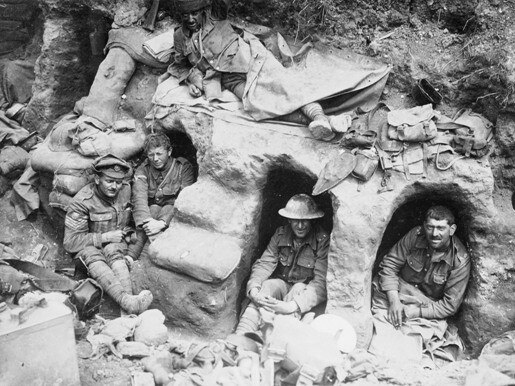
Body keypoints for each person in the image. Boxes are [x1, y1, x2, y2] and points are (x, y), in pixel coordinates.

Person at [160, 0, 337, 141]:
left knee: (283, 86)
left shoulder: (217, 15)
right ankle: (320, 122)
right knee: (256, 104)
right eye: (185, 15)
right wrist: (191, 80)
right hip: (228, 78)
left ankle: (319, 116)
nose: (190, 19)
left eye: (195, 13)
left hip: (250, 58)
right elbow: (180, 65)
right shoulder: (179, 36)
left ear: (204, 10)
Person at [370, 205, 471, 362]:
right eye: (430, 227)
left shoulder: (459, 259)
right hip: (397, 291)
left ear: (451, 229)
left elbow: (449, 306)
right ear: (424, 226)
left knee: (414, 340)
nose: (434, 233)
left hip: (426, 307)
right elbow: (390, 265)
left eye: (440, 228)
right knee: (381, 324)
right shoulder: (415, 236)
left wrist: (414, 312)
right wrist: (394, 300)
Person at [63, 154, 153, 315]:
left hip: (116, 246)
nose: (114, 186)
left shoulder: (126, 190)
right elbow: (70, 242)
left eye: (118, 182)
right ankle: (127, 302)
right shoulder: (82, 201)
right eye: (109, 181)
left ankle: (129, 307)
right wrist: (104, 237)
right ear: (97, 179)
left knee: (112, 249)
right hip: (89, 252)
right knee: (92, 253)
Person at [235, 194, 329, 334]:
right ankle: (241, 337)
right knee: (269, 285)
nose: (300, 226)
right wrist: (254, 289)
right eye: (296, 220)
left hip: (302, 294)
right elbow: (265, 263)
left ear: (312, 220)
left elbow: (320, 282)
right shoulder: (281, 234)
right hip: (282, 286)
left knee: (298, 288)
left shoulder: (322, 240)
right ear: (289, 219)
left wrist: (292, 305)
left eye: (305, 221)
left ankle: (274, 339)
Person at [131, 133, 195, 256]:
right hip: (150, 217)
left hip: (172, 216)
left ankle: (143, 256)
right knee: (153, 209)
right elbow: (139, 197)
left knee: (167, 208)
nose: (155, 159)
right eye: (151, 154)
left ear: (169, 151)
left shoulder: (182, 167)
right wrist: (148, 221)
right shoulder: (143, 169)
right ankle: (131, 256)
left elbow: (185, 200)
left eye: (159, 154)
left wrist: (162, 223)